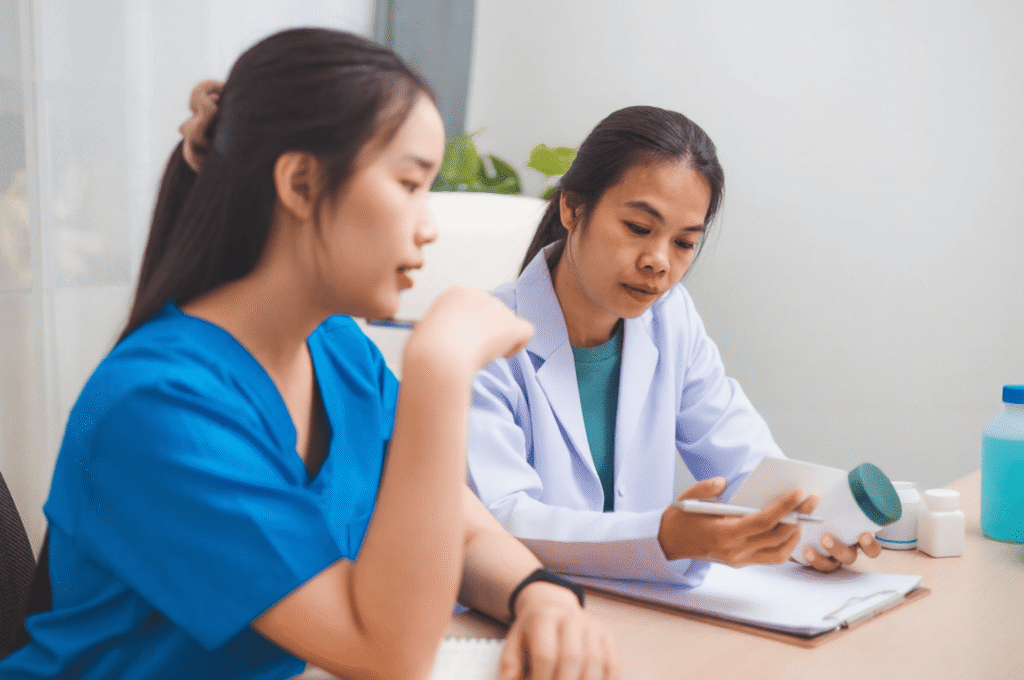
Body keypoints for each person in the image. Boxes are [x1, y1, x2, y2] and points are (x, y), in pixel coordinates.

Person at [0, 28, 621, 680]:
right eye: (410, 184)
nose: (429, 226)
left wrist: (540, 595)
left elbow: (455, 526)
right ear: (301, 182)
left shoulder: (338, 350)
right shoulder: (162, 406)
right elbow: (386, 654)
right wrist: (441, 370)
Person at [466, 105, 881, 587]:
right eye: (639, 228)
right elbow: (497, 519)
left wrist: (813, 529)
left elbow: (745, 462)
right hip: (521, 606)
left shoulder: (670, 319)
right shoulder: (481, 339)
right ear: (572, 208)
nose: (658, 262)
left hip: (643, 606)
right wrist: (664, 538)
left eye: (684, 243)